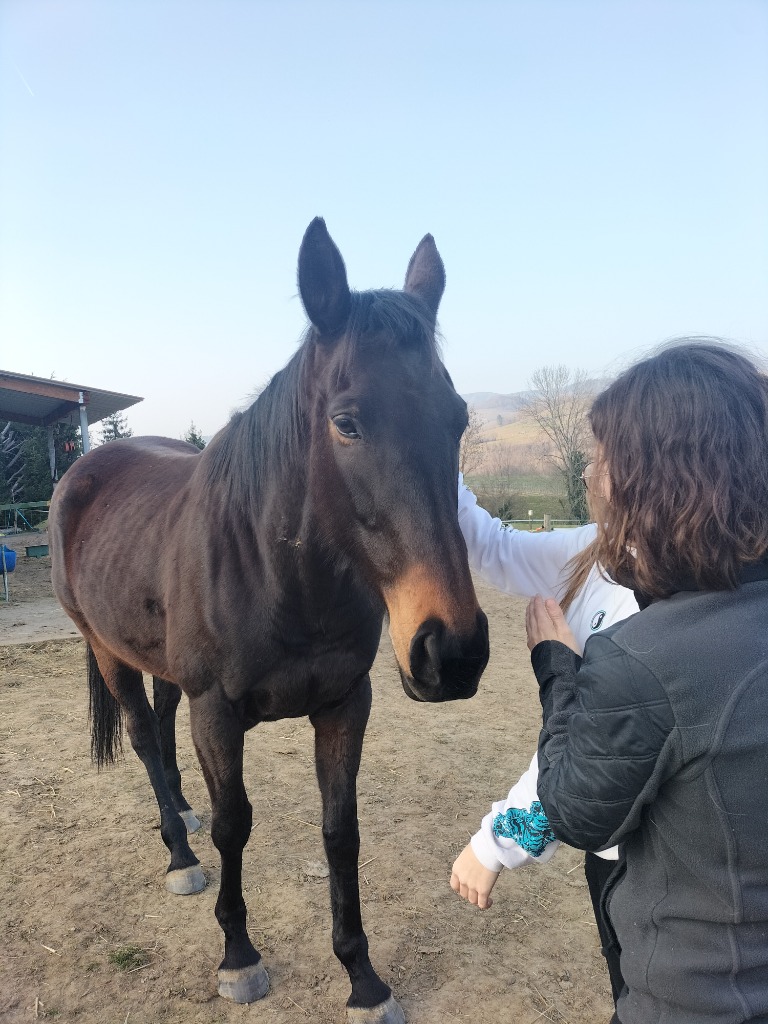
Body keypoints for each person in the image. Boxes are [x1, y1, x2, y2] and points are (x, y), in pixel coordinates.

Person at [525, 340, 768, 1024]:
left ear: (656, 480)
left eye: (604, 459)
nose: (592, 477)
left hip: (699, 1001)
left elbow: (574, 810)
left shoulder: (646, 661)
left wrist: (556, 668)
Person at [450, 468, 638, 1005]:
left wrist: (494, 844)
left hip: (649, 861)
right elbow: (493, 547)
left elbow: (593, 763)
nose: (586, 470)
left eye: (604, 457)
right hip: (611, 854)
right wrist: (437, 452)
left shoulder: (653, 601)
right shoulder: (599, 550)